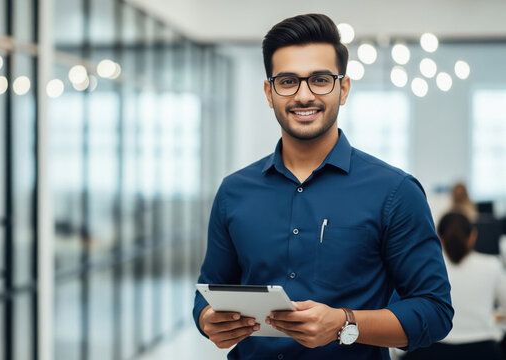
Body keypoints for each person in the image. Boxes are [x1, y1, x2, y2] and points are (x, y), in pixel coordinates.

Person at [192, 13, 453, 360]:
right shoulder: (233, 191)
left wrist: (345, 324)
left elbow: (434, 311)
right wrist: (208, 319)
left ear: (342, 89)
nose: (303, 96)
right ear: (269, 93)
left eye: (319, 80)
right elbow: (209, 290)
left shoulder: (395, 192)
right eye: (287, 81)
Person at [403, 212, 506, 360]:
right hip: (483, 352)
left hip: (430, 352)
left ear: (438, 237)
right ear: (473, 236)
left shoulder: (424, 266)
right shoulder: (492, 265)